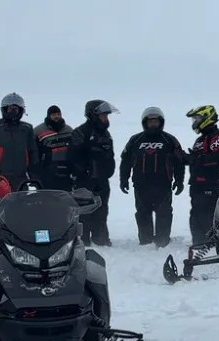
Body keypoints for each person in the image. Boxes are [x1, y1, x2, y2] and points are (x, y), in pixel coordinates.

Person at [119, 108, 186, 248]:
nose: (153, 124)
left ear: (161, 122)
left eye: (156, 121)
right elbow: (125, 161)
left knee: (164, 213)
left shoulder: (170, 140)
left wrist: (180, 181)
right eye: (151, 121)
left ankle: (162, 241)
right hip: (141, 185)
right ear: (145, 123)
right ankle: (146, 241)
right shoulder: (135, 140)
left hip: (163, 184)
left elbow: (179, 162)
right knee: (143, 213)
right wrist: (123, 179)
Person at [69, 100, 118, 246]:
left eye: (106, 116)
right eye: (103, 115)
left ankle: (101, 238)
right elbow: (73, 156)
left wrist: (109, 170)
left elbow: (110, 155)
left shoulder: (106, 134)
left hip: (102, 179)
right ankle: (83, 239)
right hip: (85, 180)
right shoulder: (80, 132)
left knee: (102, 210)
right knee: (84, 210)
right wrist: (84, 171)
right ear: (93, 115)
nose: (105, 119)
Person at [183, 105, 219, 245]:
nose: (195, 122)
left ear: (206, 118)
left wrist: (194, 159)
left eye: (197, 118)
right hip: (196, 182)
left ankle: (210, 243)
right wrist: (183, 157)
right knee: (195, 213)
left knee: (206, 213)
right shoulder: (200, 139)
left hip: (209, 182)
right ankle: (198, 242)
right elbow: (196, 158)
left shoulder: (217, 136)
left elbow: (215, 159)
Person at [0, 93, 39, 189]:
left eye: (16, 109)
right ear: (4, 109)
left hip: (21, 178)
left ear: (21, 110)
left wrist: (34, 174)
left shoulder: (27, 128)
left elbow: (32, 151)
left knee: (22, 202)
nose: (13, 111)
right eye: (10, 108)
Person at [33, 104, 75, 190]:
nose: (56, 117)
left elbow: (75, 151)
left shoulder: (69, 131)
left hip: (66, 173)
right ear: (49, 116)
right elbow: (32, 152)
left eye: (58, 114)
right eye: (53, 115)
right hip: (47, 173)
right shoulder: (38, 131)